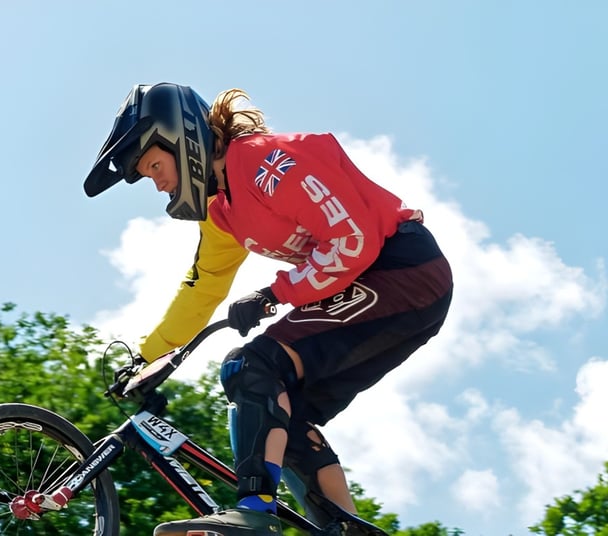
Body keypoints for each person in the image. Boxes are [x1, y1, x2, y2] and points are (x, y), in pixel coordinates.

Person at [84, 83, 453, 536]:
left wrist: (272, 294)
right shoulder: (222, 213)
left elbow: (351, 238)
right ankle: (344, 530)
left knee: (249, 367)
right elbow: (202, 289)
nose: (157, 183)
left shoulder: (263, 163)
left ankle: (255, 512)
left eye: (156, 166)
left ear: (185, 141)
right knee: (281, 418)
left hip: (402, 270)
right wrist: (148, 356)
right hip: (381, 288)